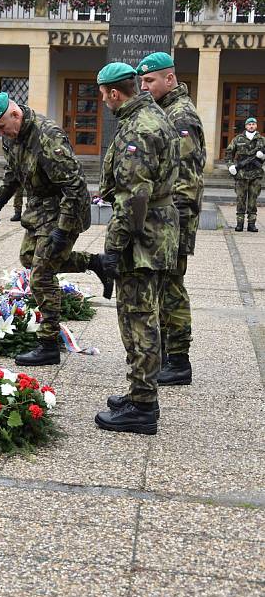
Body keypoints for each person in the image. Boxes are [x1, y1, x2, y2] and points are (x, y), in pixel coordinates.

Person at [90, 63, 180, 435]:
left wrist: (113, 250)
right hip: (155, 233)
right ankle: (138, 392)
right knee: (142, 317)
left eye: (102, 95)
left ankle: (143, 408)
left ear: (114, 93)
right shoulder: (149, 115)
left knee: (138, 320)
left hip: (143, 239)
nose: (103, 102)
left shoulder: (139, 128)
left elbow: (134, 198)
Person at [0, 93, 103, 367]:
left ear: (16, 115)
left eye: (2, 127)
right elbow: (12, 172)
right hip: (39, 208)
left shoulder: (47, 136)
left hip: (65, 206)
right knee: (29, 258)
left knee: (41, 273)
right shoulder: (11, 136)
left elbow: (74, 187)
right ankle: (95, 262)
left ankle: (48, 344)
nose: (1, 133)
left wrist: (63, 230)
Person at [138, 52, 206, 387]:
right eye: (141, 80)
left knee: (172, 287)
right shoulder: (164, 111)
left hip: (177, 217)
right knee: (165, 285)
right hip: (167, 217)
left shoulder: (180, 116)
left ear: (170, 79)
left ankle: (179, 360)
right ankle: (169, 353)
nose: (144, 86)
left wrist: (175, 221)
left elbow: (187, 177)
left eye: (150, 80)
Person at [225, 117, 264, 233]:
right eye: (249, 124)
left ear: (256, 126)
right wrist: (231, 166)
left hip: (255, 174)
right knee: (240, 199)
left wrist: (262, 156)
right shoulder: (237, 139)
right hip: (241, 174)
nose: (251, 126)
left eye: (253, 124)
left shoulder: (262, 140)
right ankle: (239, 223)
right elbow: (228, 154)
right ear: (246, 126)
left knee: (253, 200)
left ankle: (252, 224)